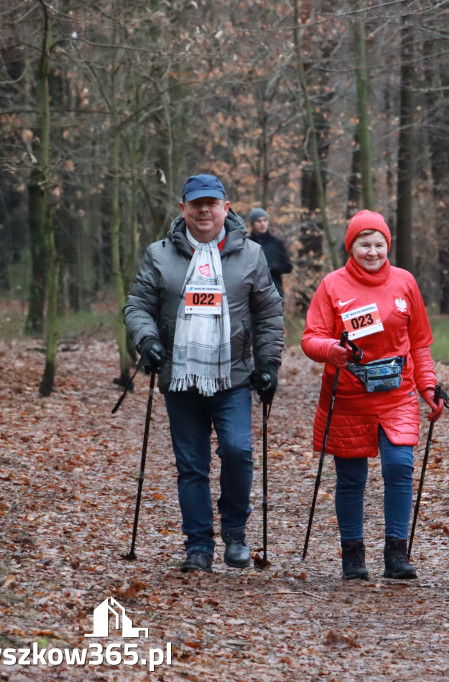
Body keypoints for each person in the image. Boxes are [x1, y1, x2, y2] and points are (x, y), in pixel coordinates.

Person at [124, 174, 284, 573]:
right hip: (179, 378)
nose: (204, 210)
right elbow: (137, 306)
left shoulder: (250, 255)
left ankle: (234, 533)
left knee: (237, 451)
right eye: (196, 204)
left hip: (233, 377)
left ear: (225, 208)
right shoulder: (159, 255)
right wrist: (147, 341)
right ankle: (198, 545)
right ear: (183, 209)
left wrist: (268, 365)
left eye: (212, 203)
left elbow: (269, 314)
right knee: (191, 465)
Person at [301, 209, 447, 581]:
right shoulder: (332, 285)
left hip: (396, 393)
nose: (372, 251)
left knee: (399, 467)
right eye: (364, 244)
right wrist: (333, 350)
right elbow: (311, 337)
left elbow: (420, 343)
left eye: (379, 244)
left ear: (388, 245)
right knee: (351, 479)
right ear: (351, 247)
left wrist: (428, 387)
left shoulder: (405, 283)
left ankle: (397, 554)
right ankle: (353, 556)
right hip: (349, 396)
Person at [247, 208, 294, 302]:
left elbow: (288, 267)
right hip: (251, 292)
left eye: (265, 220)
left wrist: (271, 268)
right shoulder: (246, 243)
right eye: (258, 221)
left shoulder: (277, 243)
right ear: (253, 223)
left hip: (275, 291)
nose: (262, 224)